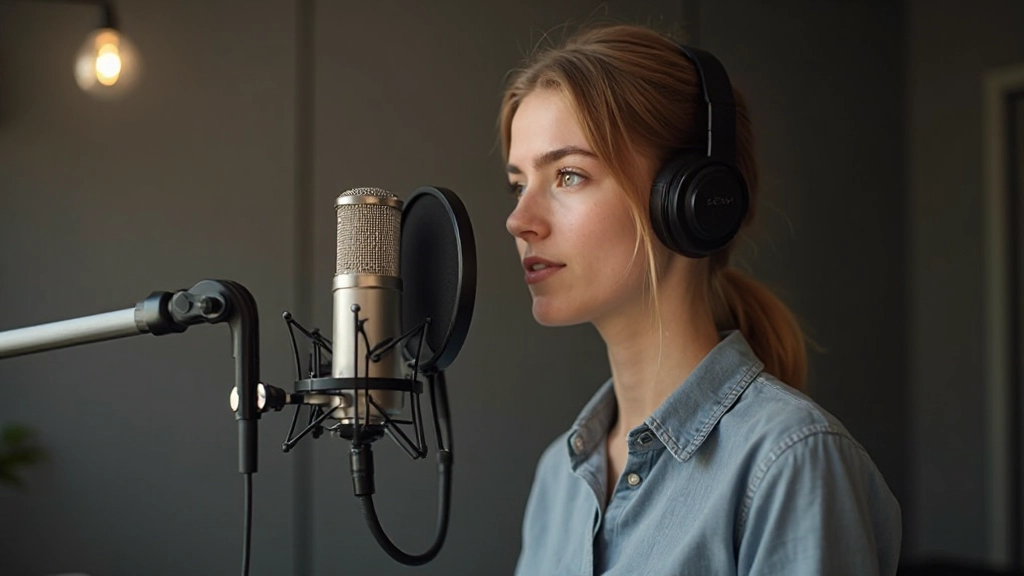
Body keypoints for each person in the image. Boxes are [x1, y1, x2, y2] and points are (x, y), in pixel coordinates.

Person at [499, 22, 902, 576]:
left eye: (568, 175)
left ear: (692, 197)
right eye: (518, 183)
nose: (519, 221)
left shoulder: (790, 462)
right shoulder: (558, 477)